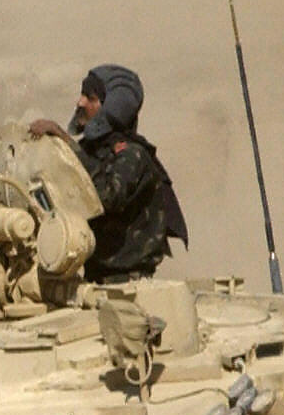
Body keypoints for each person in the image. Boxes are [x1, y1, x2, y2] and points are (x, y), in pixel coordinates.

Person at [29, 64, 187, 281]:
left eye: (90, 98)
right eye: (82, 95)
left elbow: (104, 197)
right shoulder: (91, 150)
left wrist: (65, 143)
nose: (80, 103)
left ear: (112, 108)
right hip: (93, 274)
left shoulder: (132, 155)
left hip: (126, 281)